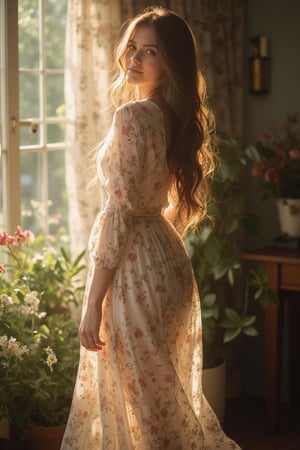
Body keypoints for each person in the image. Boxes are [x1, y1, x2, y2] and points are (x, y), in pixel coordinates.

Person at [61, 6, 240, 450]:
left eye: (151, 52)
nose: (134, 59)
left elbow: (120, 215)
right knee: (164, 402)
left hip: (133, 272)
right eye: (133, 48)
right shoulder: (174, 115)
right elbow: (167, 203)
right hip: (167, 260)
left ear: (171, 63)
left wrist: (94, 303)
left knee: (143, 410)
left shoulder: (134, 116)